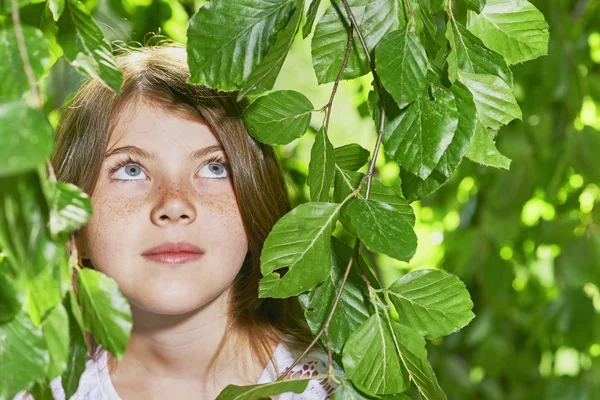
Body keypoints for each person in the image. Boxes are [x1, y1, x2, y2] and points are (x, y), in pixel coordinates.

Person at [14, 40, 342, 399]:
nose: (174, 203)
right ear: (72, 226)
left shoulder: (328, 388)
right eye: (131, 170)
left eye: (215, 168)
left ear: (256, 204)